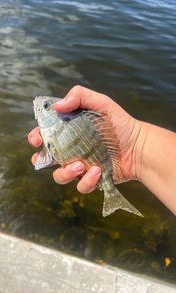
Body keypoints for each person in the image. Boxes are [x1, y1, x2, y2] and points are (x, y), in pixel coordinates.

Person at [28, 85, 176, 215]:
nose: (42, 106)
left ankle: (112, 195)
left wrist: (135, 142)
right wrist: (136, 144)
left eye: (46, 106)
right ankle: (111, 193)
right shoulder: (55, 125)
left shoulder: (59, 120)